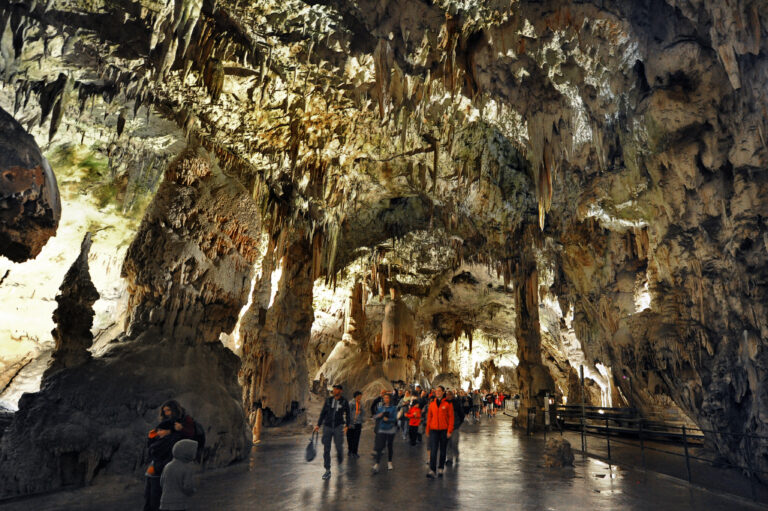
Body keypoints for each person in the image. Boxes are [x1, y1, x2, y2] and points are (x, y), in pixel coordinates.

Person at [145, 401, 195, 511]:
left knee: (159, 498)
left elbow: (191, 435)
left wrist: (181, 429)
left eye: (168, 410)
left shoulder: (184, 421)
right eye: (165, 411)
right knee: (151, 497)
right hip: (157, 468)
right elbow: (153, 449)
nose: (167, 413)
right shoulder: (163, 431)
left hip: (166, 466)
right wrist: (152, 437)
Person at [314, 383, 350, 480]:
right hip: (327, 427)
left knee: (339, 448)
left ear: (340, 391)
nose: (334, 390)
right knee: (326, 449)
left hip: (338, 427)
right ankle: (327, 470)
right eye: (334, 389)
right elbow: (323, 413)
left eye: (337, 389)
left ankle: (340, 463)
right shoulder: (329, 400)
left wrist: (347, 425)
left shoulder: (344, 401)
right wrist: (318, 424)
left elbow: (348, 414)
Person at [159, 439, 198, 511]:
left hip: (164, 503)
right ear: (187, 452)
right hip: (179, 504)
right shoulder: (187, 467)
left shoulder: (167, 466)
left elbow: (161, 482)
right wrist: (192, 491)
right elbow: (188, 486)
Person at [425, 385, 454, 478]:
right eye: (436, 391)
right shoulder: (432, 404)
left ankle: (441, 468)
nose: (437, 392)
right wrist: (427, 429)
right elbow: (429, 417)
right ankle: (432, 470)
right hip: (434, 430)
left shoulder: (448, 404)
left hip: (443, 430)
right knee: (433, 450)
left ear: (442, 392)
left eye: (439, 391)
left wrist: (449, 430)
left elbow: (451, 418)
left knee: (442, 450)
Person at [372, 392, 398, 473]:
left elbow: (395, 419)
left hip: (390, 429)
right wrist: (379, 416)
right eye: (384, 398)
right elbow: (375, 417)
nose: (385, 399)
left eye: (387, 398)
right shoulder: (380, 408)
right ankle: (377, 463)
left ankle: (389, 462)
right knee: (380, 447)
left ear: (390, 399)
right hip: (382, 428)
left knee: (390, 446)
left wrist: (388, 420)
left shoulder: (393, 408)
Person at [445, 390, 465, 466]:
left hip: (455, 426)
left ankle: (456, 454)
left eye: (450, 395)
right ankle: (449, 458)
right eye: (447, 395)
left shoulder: (456, 404)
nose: (448, 396)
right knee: (447, 443)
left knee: (454, 442)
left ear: (453, 396)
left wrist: (458, 424)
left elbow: (461, 415)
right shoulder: (444, 403)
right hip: (446, 427)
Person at [347, 390, 364, 457]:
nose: (360, 398)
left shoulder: (361, 404)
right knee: (350, 438)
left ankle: (355, 452)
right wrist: (349, 423)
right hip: (351, 423)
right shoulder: (351, 403)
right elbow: (348, 413)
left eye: (361, 397)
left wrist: (361, 420)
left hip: (358, 423)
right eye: (359, 397)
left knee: (356, 438)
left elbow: (362, 412)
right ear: (356, 396)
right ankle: (350, 451)